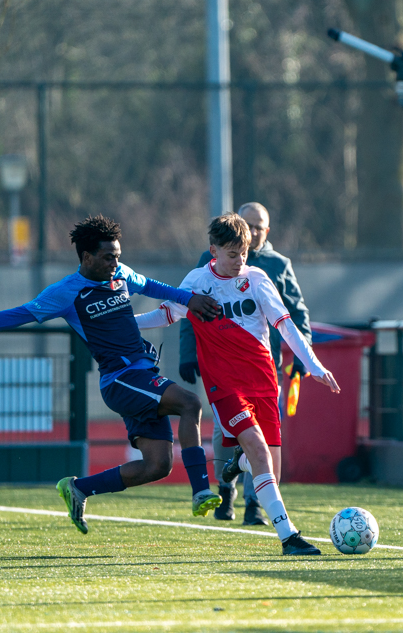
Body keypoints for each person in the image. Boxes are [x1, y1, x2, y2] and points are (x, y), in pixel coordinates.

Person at [0, 215, 224, 534]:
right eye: (108, 257)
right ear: (87, 257)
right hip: (121, 379)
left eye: (117, 256)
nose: (115, 263)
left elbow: (150, 285)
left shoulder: (120, 274)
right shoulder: (66, 293)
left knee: (157, 466)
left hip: (141, 376)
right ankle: (201, 491)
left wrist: (188, 299)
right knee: (190, 403)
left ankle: (79, 488)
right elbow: (16, 315)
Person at [137, 213, 340, 555]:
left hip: (263, 380)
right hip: (225, 386)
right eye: (232, 254)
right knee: (259, 452)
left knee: (270, 472)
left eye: (244, 253)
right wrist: (122, 323)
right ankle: (289, 537)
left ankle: (239, 463)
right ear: (213, 250)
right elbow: (165, 315)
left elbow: (285, 324)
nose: (239, 261)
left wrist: (314, 365)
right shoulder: (197, 282)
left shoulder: (257, 278)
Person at [179, 202, 312, 525]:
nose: (252, 231)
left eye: (258, 227)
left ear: (267, 231)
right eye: (247, 224)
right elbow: (187, 307)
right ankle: (226, 488)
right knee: (226, 431)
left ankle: (255, 504)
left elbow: (296, 313)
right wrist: (187, 353)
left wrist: (303, 357)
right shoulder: (210, 261)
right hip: (222, 369)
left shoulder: (276, 266)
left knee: (263, 439)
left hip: (264, 367)